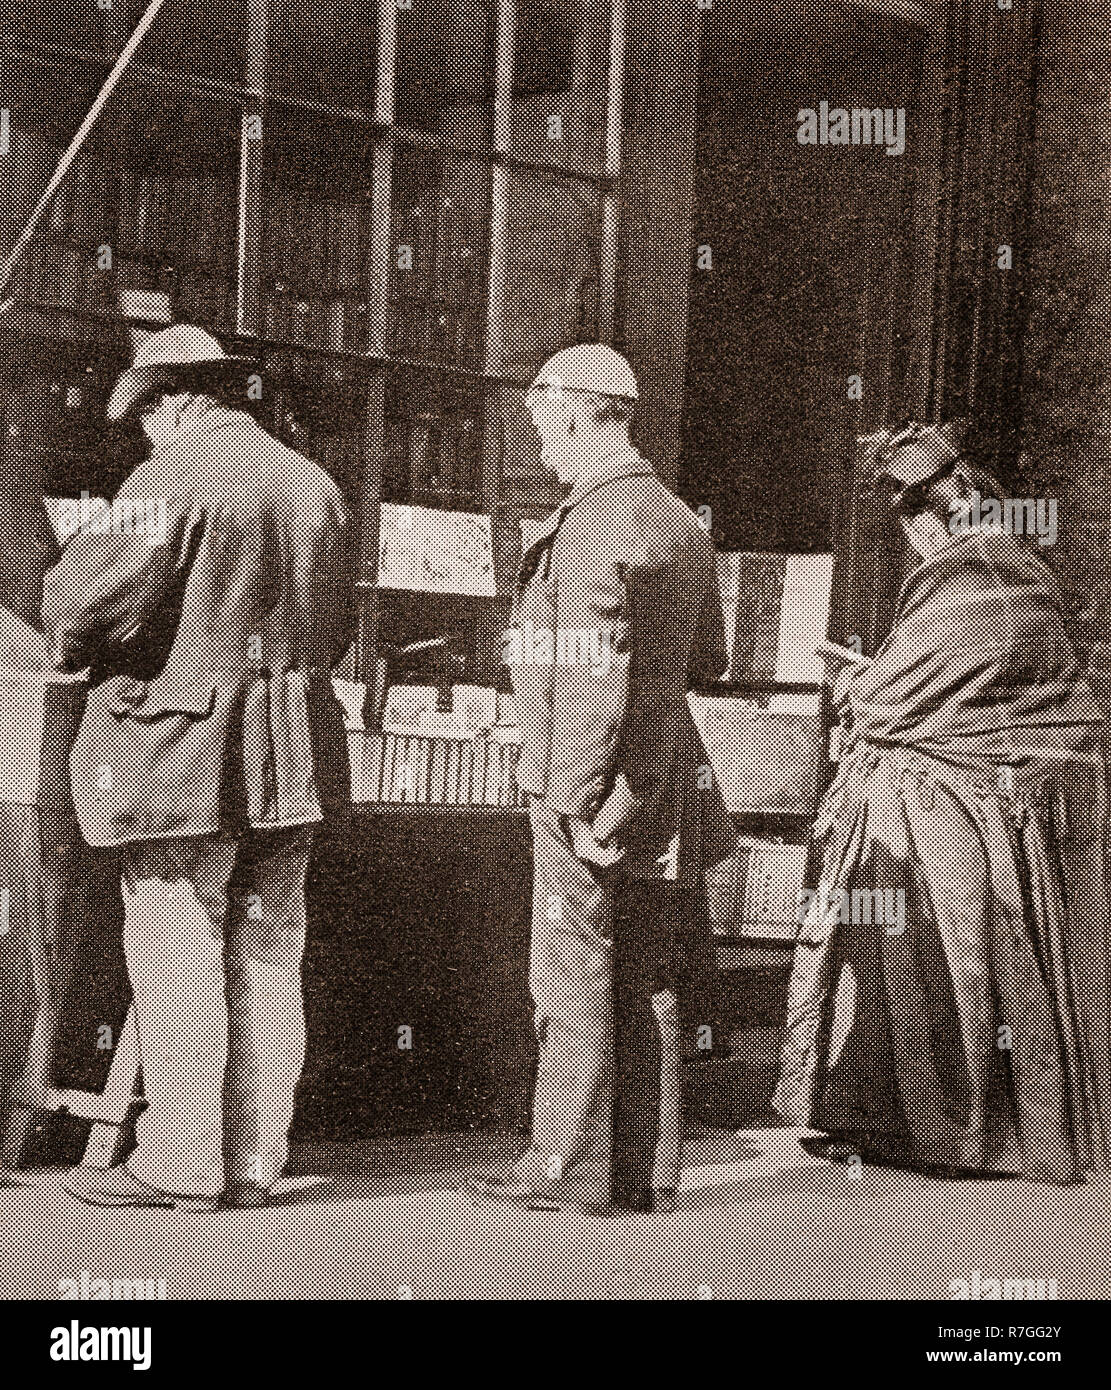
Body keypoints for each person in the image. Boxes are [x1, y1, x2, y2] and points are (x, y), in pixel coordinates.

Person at [42, 323, 354, 1209]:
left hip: (185, 764)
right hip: (291, 765)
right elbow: (324, 634)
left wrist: (69, 628)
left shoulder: (169, 478)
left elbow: (84, 597)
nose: (145, 432)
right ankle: (255, 1162)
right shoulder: (314, 485)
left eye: (146, 415)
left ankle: (179, 1162)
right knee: (266, 956)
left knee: (179, 951)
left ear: (174, 402)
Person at [774, 420, 1111, 1183]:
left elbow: (897, 699)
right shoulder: (1023, 568)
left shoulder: (958, 578)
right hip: (1016, 802)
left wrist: (851, 680)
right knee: (980, 965)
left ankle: (934, 1128)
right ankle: (993, 1120)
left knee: (914, 949)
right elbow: (993, 687)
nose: (912, 548)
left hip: (945, 809)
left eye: (908, 531)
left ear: (924, 517)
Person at [467, 344, 733, 1213]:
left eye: (545, 422)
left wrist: (584, 804)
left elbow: (591, 684)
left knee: (571, 973)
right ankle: (642, 1174)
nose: (540, 443)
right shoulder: (677, 522)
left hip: (586, 786)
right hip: (666, 779)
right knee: (649, 971)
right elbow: (709, 661)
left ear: (579, 413)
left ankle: (563, 1169)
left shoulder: (590, 526)